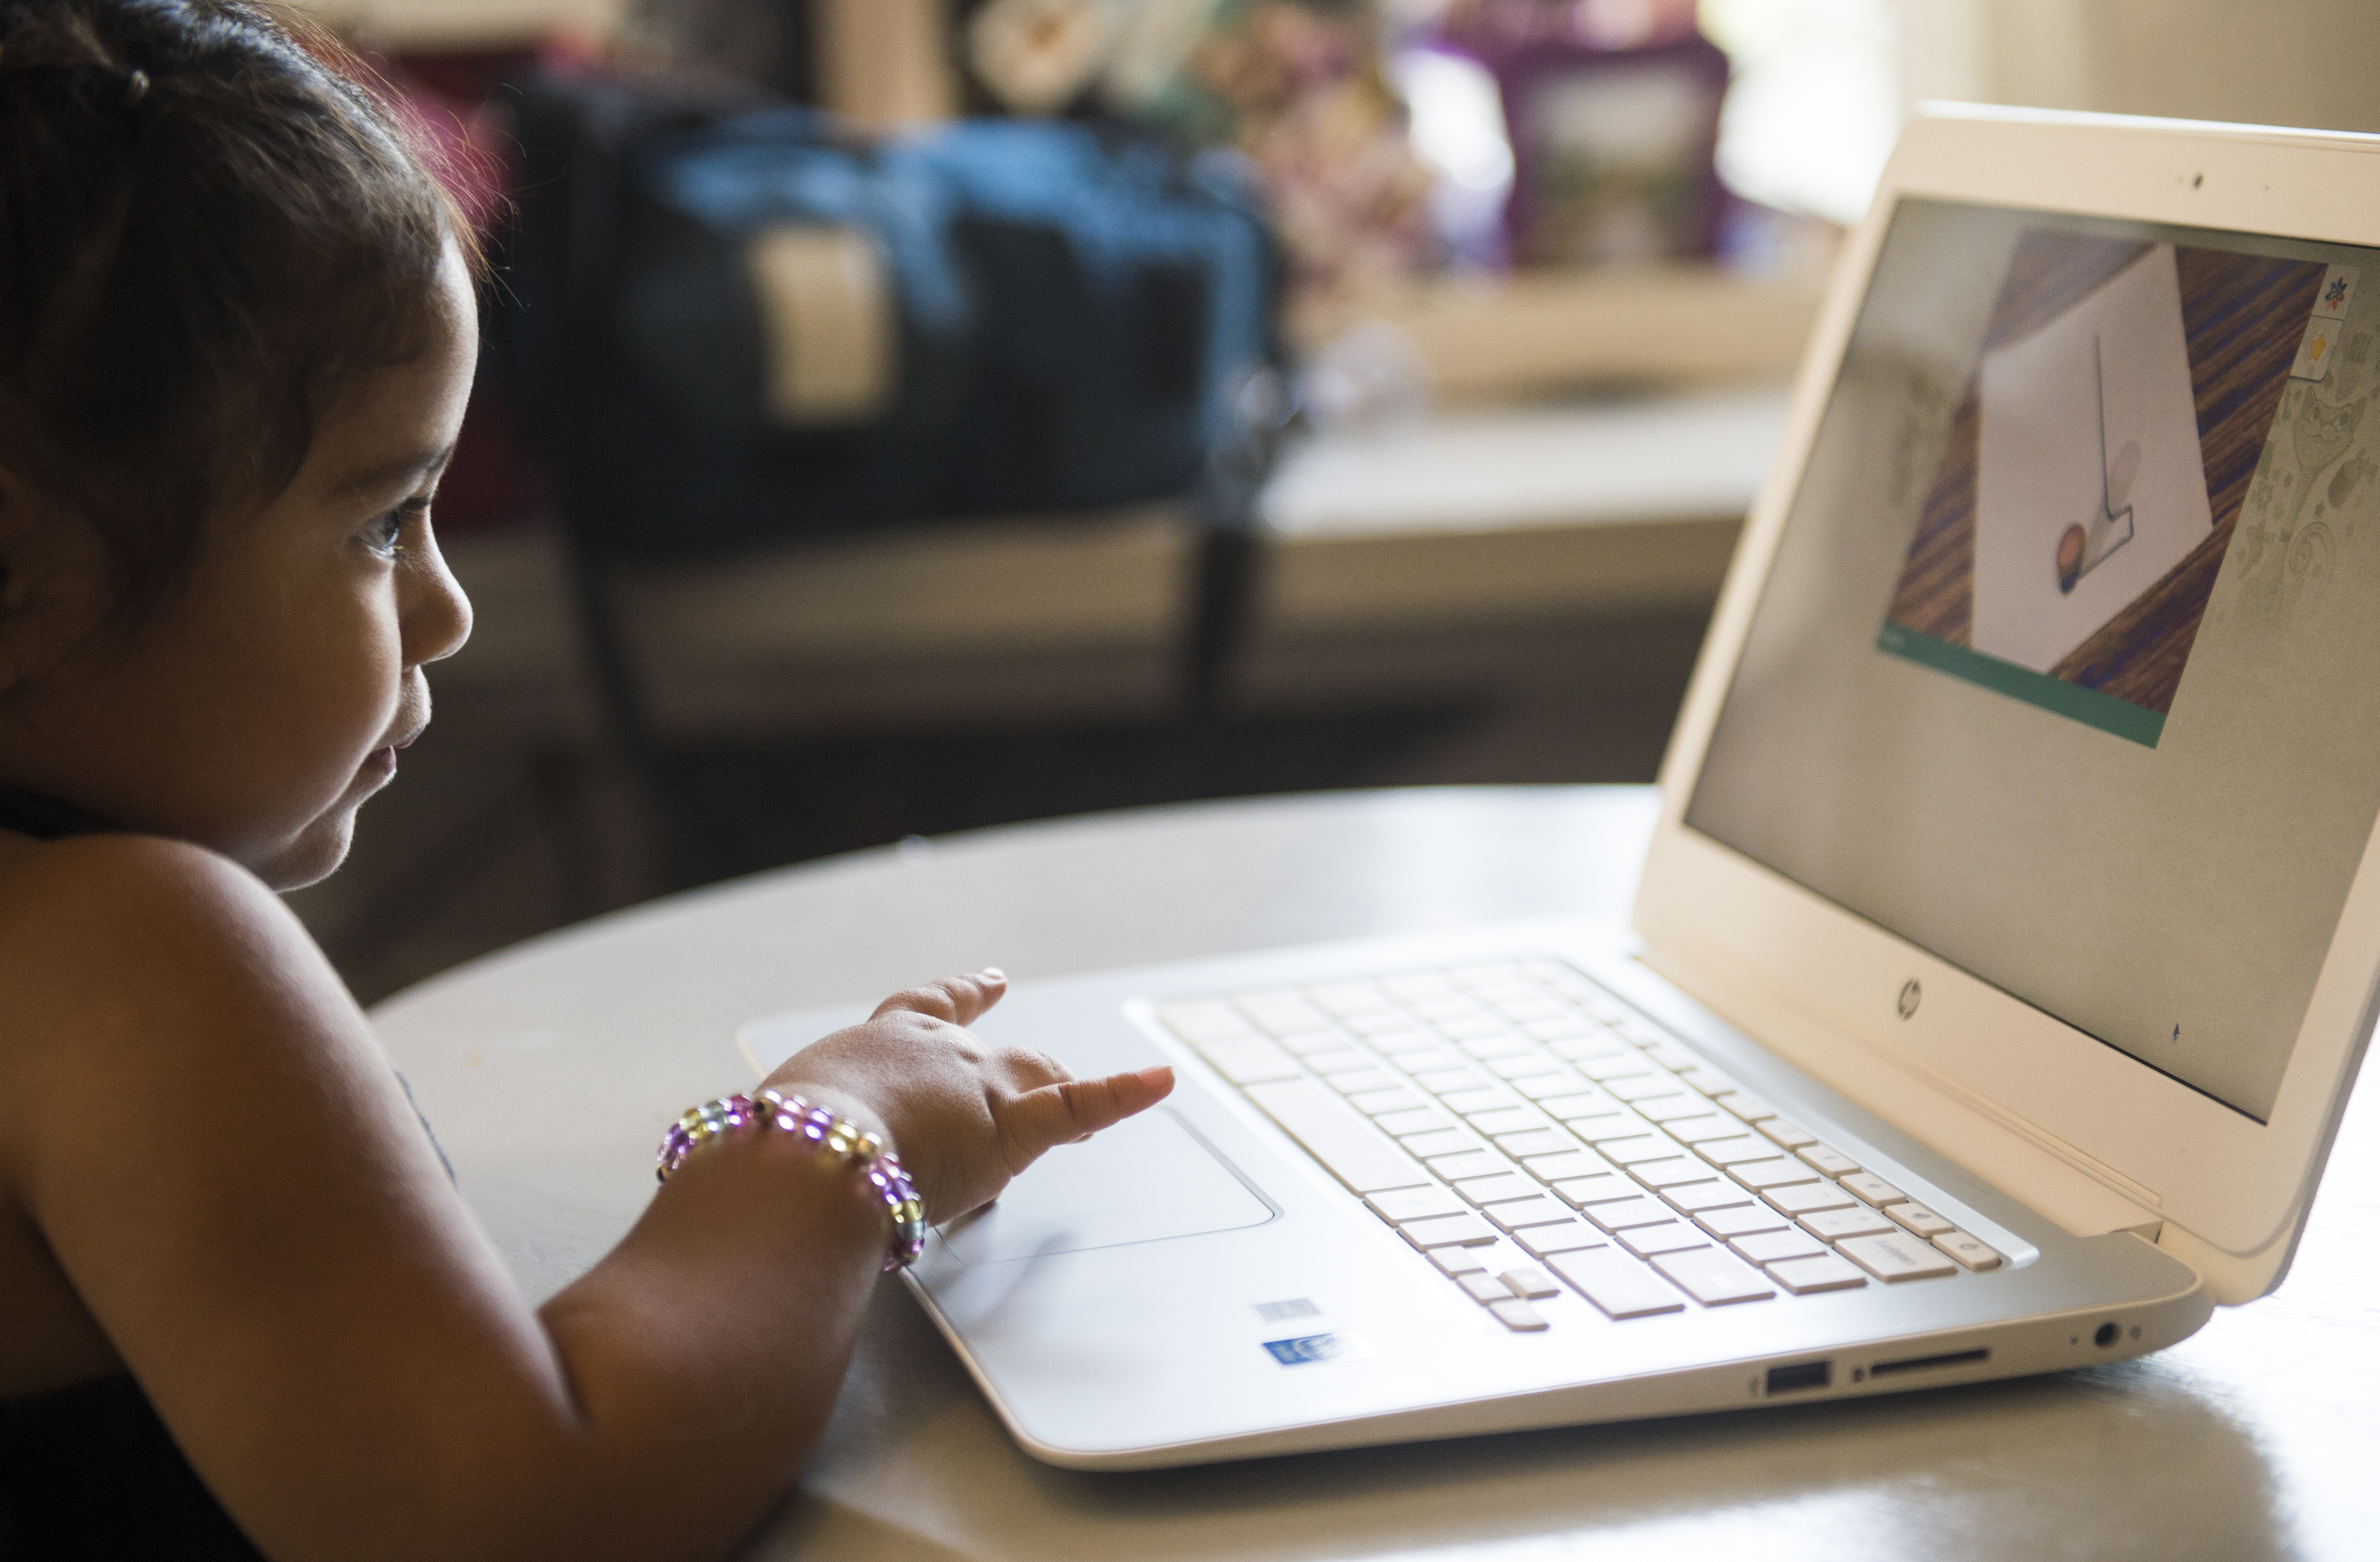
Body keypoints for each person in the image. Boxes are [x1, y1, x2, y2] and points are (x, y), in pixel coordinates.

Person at [0, 3, 1173, 1556]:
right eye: (378, 520)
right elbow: (531, 1506)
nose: (448, 605)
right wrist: (834, 1140)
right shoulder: (108, 961)